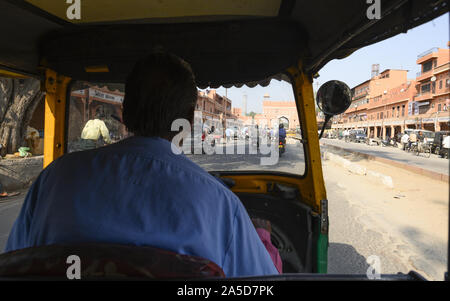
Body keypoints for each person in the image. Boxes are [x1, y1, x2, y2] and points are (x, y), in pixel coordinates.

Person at [5, 51, 279, 277]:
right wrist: (264, 240)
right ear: (189, 119)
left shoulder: (55, 179)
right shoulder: (220, 205)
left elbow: (14, 265)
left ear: (125, 112)